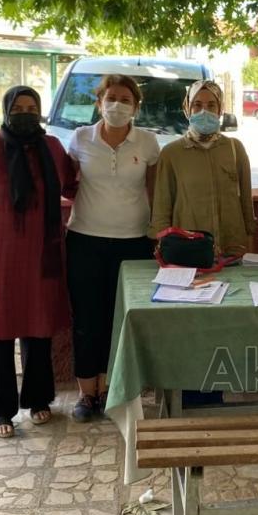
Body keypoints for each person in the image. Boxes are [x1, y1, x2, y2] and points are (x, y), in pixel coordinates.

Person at [0, 86, 77, 437]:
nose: (25, 113)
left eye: (32, 107)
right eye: (18, 107)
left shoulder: (52, 148)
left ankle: (39, 400)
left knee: (38, 332)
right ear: (6, 111)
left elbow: (73, 185)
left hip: (41, 258)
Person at [150, 80, 255, 406]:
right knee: (191, 327)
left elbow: (246, 202)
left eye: (211, 106)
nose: (204, 112)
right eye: (197, 106)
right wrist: (164, 250)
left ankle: (216, 393)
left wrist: (248, 243)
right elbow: (162, 207)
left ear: (221, 110)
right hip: (187, 257)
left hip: (231, 254)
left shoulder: (235, 149)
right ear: (187, 110)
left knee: (223, 325)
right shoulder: (172, 154)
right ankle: (189, 395)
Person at [66, 74, 159, 422]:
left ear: (136, 106)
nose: (117, 105)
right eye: (111, 98)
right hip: (85, 239)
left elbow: (155, 192)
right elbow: (67, 183)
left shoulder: (148, 143)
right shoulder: (80, 138)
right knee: (88, 318)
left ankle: (111, 389)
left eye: (125, 99)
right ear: (99, 102)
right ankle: (86, 393)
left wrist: (157, 234)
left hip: (134, 241)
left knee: (122, 319)